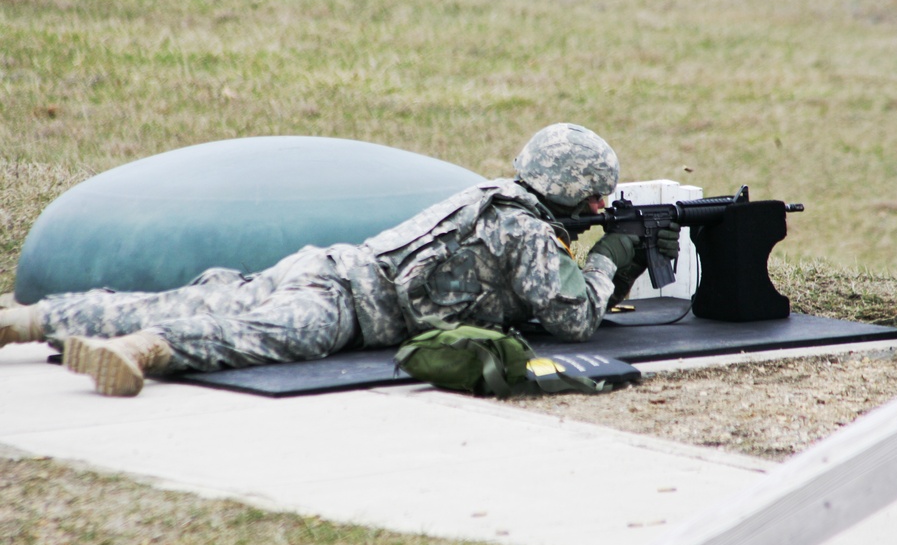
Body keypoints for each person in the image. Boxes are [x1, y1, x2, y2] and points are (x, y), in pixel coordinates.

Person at [0, 123, 679, 397]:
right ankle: (143, 351)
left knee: (195, 296)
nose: (597, 209)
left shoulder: (491, 197)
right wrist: (615, 254)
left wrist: (599, 245)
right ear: (572, 191)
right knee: (258, 335)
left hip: (326, 266)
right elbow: (574, 319)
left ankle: (28, 321)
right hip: (342, 304)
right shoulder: (527, 232)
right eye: (594, 199)